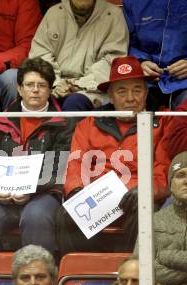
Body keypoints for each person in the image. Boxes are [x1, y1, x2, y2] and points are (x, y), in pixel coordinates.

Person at [56, 56, 171, 256]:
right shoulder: (89, 123)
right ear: (110, 95)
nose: (130, 98)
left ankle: (131, 274)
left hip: (137, 198)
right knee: (67, 214)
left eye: (137, 90)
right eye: (121, 91)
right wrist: (76, 192)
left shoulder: (162, 122)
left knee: (147, 211)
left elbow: (163, 169)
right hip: (98, 198)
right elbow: (76, 163)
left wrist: (146, 191)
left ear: (145, 92)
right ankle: (87, 275)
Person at [0, 57, 74, 254]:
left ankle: (38, 281)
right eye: (30, 84)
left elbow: (59, 167)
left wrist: (29, 189)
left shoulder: (65, 123)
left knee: (36, 218)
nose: (35, 90)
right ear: (19, 88)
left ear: (50, 90)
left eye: (42, 85)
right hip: (0, 194)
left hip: (44, 194)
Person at [29, 0, 128, 111]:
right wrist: (56, 83)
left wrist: (78, 85)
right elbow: (40, 55)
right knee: (33, 97)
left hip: (92, 89)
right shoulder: (54, 13)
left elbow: (113, 60)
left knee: (74, 102)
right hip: (53, 84)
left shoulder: (114, 15)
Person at [123, 0, 187, 110]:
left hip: (184, 85)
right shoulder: (132, 3)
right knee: (125, 108)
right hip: (146, 83)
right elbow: (126, 44)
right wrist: (139, 63)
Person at [154, 152, 187, 285]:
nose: (186, 181)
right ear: (170, 185)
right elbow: (141, 272)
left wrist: (164, 257)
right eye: (180, 175)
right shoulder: (154, 221)